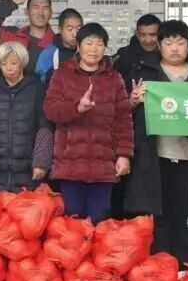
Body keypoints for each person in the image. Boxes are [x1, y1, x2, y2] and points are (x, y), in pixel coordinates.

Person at [125, 19, 188, 261]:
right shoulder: (144, 73)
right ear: (159, 46)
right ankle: (160, 269)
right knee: (158, 216)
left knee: (187, 215)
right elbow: (122, 114)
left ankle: (184, 268)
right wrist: (132, 102)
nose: (174, 48)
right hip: (154, 156)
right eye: (168, 42)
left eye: (180, 42)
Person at [43, 23, 133, 223]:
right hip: (70, 163)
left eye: (99, 44)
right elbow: (50, 110)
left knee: (100, 220)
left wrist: (124, 155)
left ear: (105, 48)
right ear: (78, 45)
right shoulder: (62, 74)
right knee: (72, 222)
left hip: (104, 164)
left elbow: (124, 119)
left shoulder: (114, 78)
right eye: (89, 43)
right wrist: (77, 108)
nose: (94, 49)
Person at [0, 41, 53, 192]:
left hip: (27, 175)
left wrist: (41, 163)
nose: (9, 68)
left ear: (22, 63)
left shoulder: (37, 89)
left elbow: (45, 128)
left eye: (13, 63)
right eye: (3, 64)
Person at [0, 0, 56, 71]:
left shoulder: (57, 43)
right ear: (27, 12)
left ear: (51, 13)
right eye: (36, 7)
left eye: (45, 8)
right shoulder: (12, 38)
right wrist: (11, 3)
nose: (41, 13)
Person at [36, 9, 82, 85]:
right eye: (70, 29)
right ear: (60, 29)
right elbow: (39, 82)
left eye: (79, 29)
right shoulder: (49, 53)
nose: (75, 34)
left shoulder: (86, 50)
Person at [114, 14, 162, 86]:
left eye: (153, 35)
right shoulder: (124, 55)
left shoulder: (168, 54)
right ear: (136, 34)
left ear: (161, 34)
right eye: (143, 35)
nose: (148, 40)